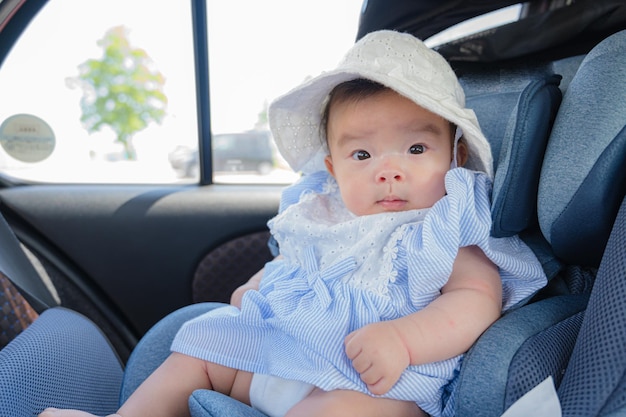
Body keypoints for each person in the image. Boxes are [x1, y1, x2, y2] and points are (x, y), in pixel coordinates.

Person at [40, 30, 546, 417]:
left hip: (372, 380)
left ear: (455, 157)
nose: (388, 169)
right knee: (203, 341)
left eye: (416, 148)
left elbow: (477, 300)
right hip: (280, 347)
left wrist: (405, 340)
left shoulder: (445, 224)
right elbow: (296, 260)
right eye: (362, 153)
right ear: (333, 169)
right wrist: (260, 283)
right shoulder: (324, 212)